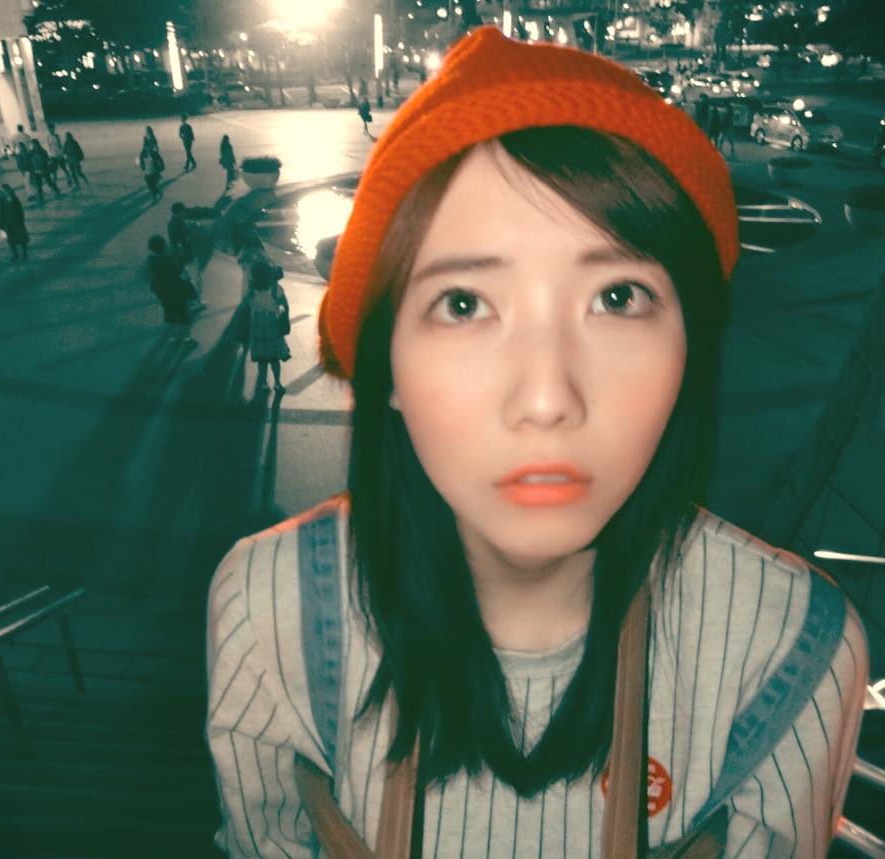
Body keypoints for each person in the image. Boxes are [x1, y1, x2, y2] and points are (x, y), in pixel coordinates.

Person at [205, 28, 867, 859]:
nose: (549, 398)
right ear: (389, 369)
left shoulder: (790, 651)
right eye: (463, 304)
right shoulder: (272, 613)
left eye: (618, 297)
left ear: (689, 349)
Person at [236, 258, 289, 394]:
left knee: (262, 359)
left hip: (258, 326)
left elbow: (245, 306)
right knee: (274, 359)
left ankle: (264, 383)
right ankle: (277, 383)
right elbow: (283, 306)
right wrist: (283, 317)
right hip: (273, 325)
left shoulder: (252, 289)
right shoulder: (275, 288)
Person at [146, 234, 196, 344]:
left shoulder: (151, 260)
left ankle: (172, 336)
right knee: (182, 311)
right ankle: (185, 337)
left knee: (168, 311)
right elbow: (180, 271)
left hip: (161, 289)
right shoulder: (169, 259)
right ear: (163, 246)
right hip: (176, 288)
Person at [0, 183, 28, 261]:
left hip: (17, 222)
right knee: (10, 240)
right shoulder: (2, 200)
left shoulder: (15, 199)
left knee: (21, 239)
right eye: (3, 191)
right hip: (8, 223)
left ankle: (24, 254)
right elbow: (1, 212)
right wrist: (1, 224)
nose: (5, 192)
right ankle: (15, 254)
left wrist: (21, 221)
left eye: (6, 190)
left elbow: (20, 211)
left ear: (9, 190)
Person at [44, 121, 72, 187]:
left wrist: (62, 154)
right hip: (53, 156)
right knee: (54, 171)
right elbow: (48, 147)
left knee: (64, 169)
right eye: (49, 129)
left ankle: (69, 181)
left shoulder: (57, 136)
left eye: (51, 128)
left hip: (59, 155)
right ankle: (54, 183)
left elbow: (60, 145)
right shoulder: (47, 137)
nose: (50, 130)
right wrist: (49, 156)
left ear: (53, 129)